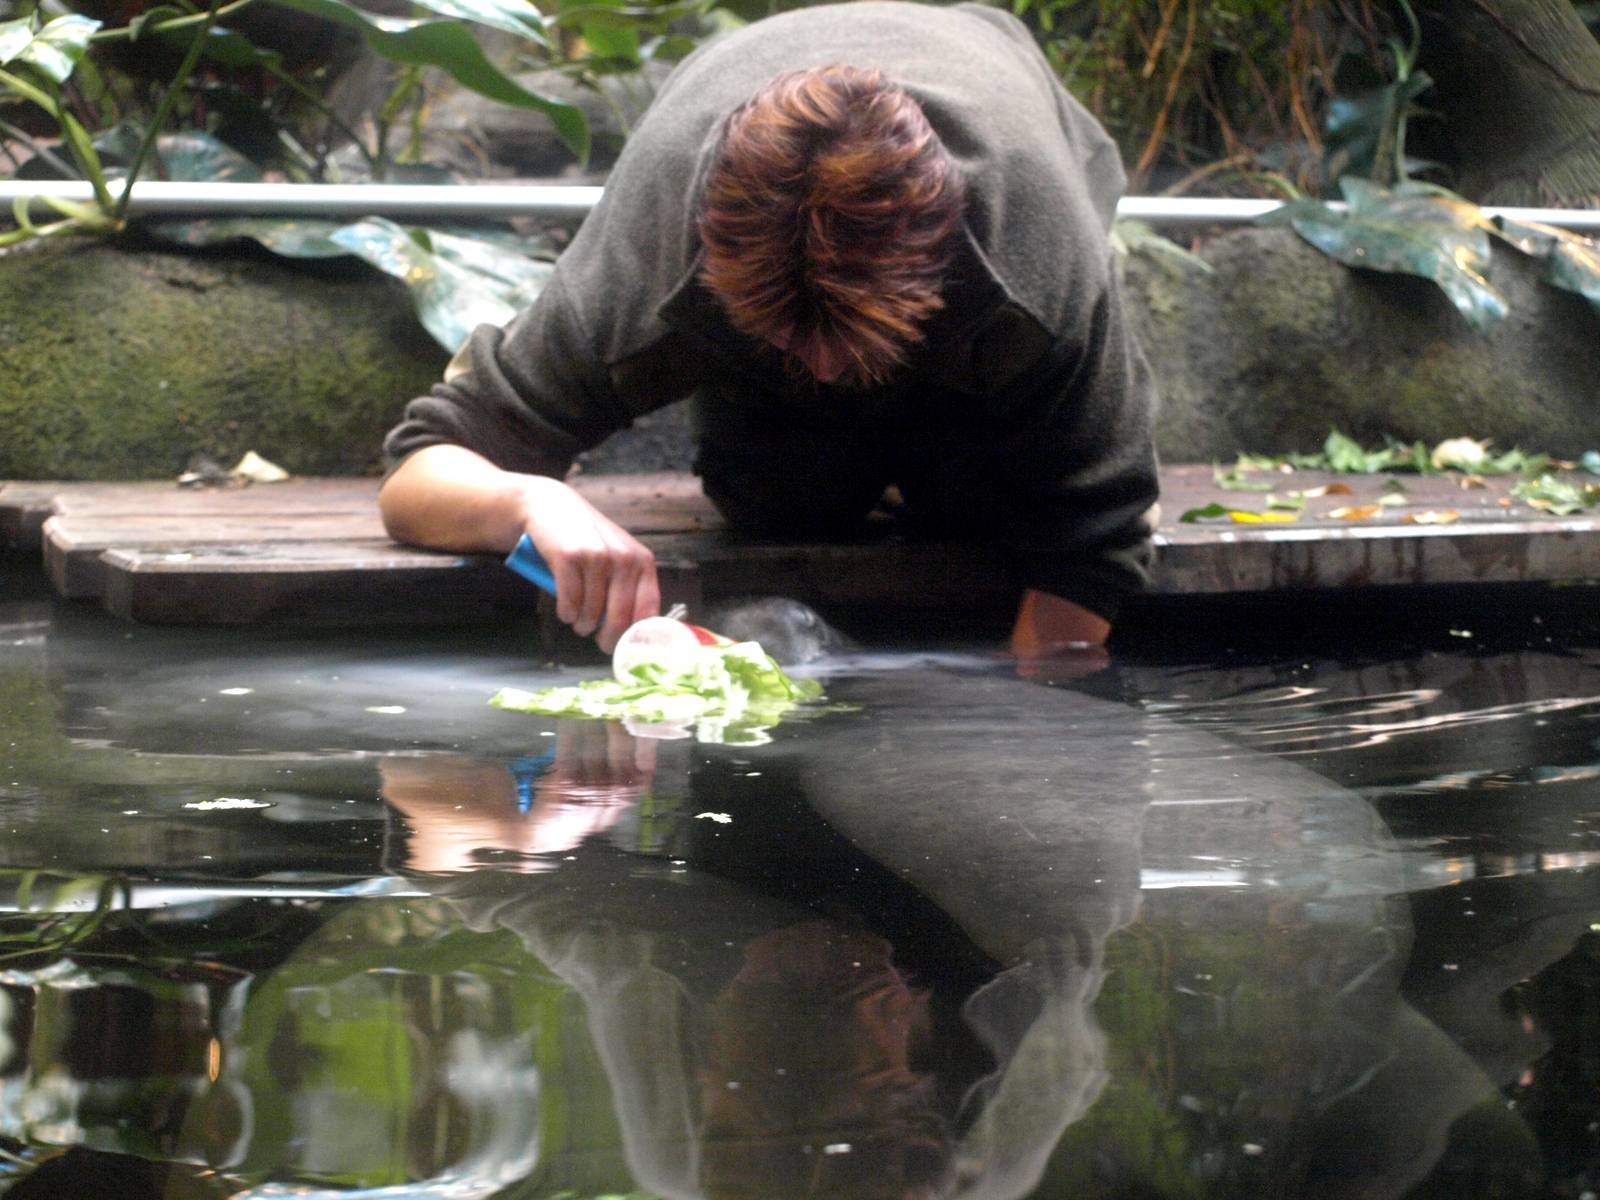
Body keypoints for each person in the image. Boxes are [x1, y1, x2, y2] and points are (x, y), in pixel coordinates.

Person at [379, 1, 1160, 659]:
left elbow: (1096, 543)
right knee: (782, 505)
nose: (823, 376)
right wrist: (528, 502)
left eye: (845, 345)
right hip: (729, 192)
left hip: (1008, 119)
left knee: (980, 505)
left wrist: (1013, 735)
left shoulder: (1037, 263)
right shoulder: (649, 260)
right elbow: (418, 472)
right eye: (791, 344)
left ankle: (922, 414)